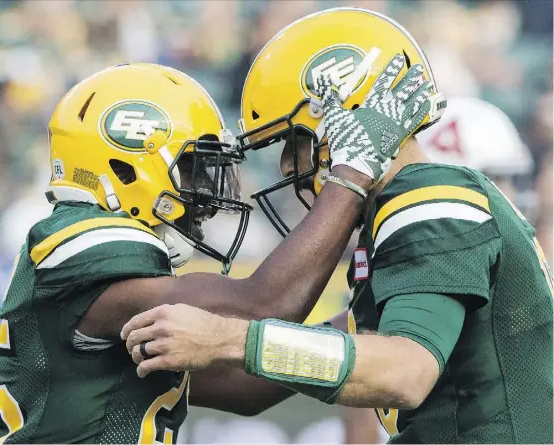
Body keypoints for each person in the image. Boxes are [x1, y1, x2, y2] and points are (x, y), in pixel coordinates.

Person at [122, 8, 554, 444]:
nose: (288, 165)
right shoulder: (399, 218)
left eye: (293, 143)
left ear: (339, 124)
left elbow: (404, 371)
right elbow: (257, 385)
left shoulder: (428, 195)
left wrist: (227, 337)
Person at [0, 52, 430, 442]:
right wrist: (352, 174)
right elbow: (262, 307)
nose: (205, 192)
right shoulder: (82, 240)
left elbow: (246, 388)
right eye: (192, 167)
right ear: (125, 165)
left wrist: (363, 315)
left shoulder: (99, 269)